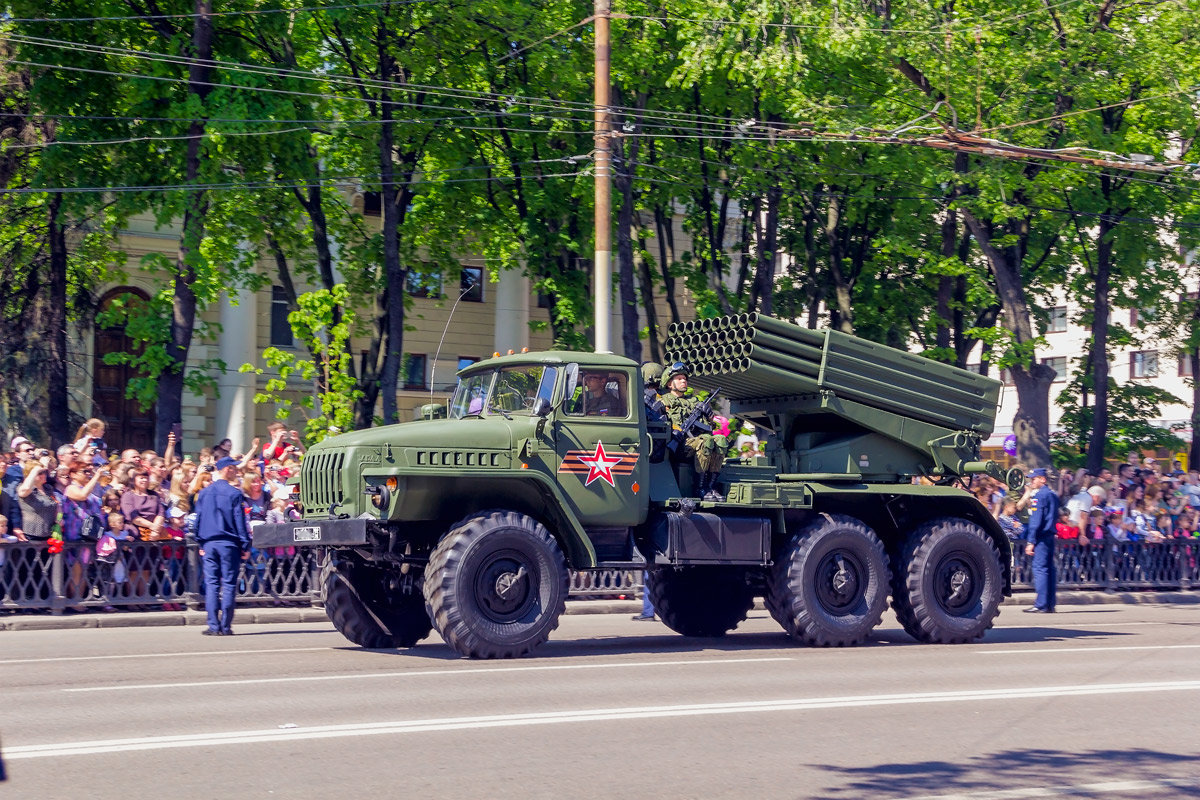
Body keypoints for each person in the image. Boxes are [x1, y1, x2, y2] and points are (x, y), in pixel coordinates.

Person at [194, 456, 251, 635]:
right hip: (229, 544)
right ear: (226, 469)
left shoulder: (204, 493)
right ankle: (225, 626)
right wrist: (245, 546)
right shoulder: (234, 493)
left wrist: (200, 541)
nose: (236, 471)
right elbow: (239, 522)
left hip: (210, 543)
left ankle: (213, 625)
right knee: (228, 584)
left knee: (212, 584)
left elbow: (198, 520)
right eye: (234, 468)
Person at [660, 362, 728, 501]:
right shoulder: (664, 401)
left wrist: (709, 416)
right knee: (706, 440)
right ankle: (700, 488)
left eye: (684, 378)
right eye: (678, 378)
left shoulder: (694, 401)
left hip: (696, 442)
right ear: (669, 384)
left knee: (720, 440)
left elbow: (710, 427)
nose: (683, 381)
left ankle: (710, 486)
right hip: (680, 445)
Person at [1022, 467, 1059, 613]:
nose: (1032, 481)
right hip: (1049, 535)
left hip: (1041, 537)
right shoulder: (1052, 494)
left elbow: (1036, 521)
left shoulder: (1039, 496)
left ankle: (1041, 604)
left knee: (1040, 569)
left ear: (1042, 479)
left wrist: (1031, 541)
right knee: (1050, 569)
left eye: (1034, 479)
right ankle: (1050, 603)